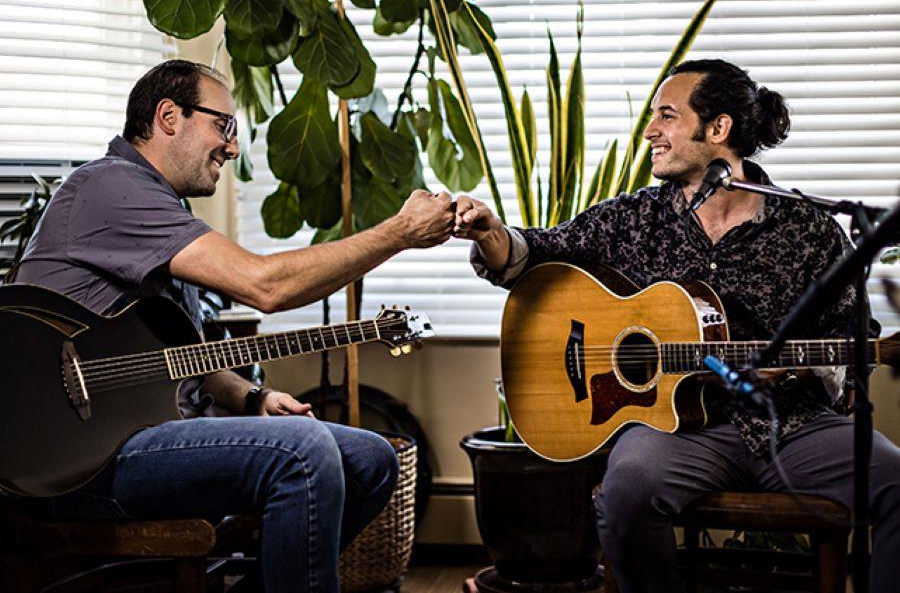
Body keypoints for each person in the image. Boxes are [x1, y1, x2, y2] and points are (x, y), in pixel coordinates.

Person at [453, 59, 900, 592]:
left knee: (897, 483)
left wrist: (796, 374)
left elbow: (854, 336)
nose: (650, 131)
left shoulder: (807, 228)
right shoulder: (633, 218)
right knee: (628, 488)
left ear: (718, 129)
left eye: (666, 115)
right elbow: (535, 256)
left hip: (793, 426)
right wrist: (489, 234)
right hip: (677, 431)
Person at [11, 59, 455, 592]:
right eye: (224, 126)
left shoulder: (158, 208)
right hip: (78, 461)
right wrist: (400, 231)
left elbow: (173, 356)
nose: (233, 147)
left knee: (371, 458)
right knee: (304, 451)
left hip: (142, 432)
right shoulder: (110, 188)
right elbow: (264, 286)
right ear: (169, 116)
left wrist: (251, 398)